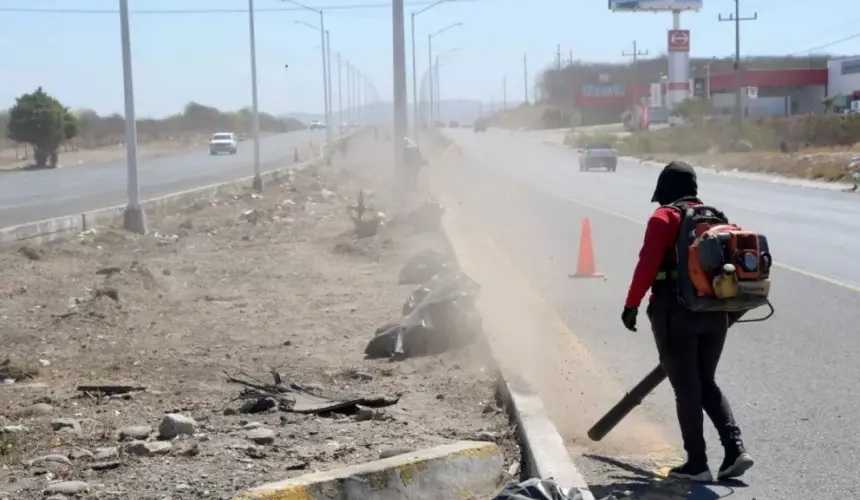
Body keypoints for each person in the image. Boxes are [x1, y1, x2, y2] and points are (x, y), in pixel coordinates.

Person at [620, 161, 754, 483]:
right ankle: (735, 450)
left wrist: (631, 304)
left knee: (687, 389)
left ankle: (697, 464)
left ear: (665, 188)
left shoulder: (664, 216)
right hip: (715, 313)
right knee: (706, 382)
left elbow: (647, 263)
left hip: (675, 312)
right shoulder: (716, 219)